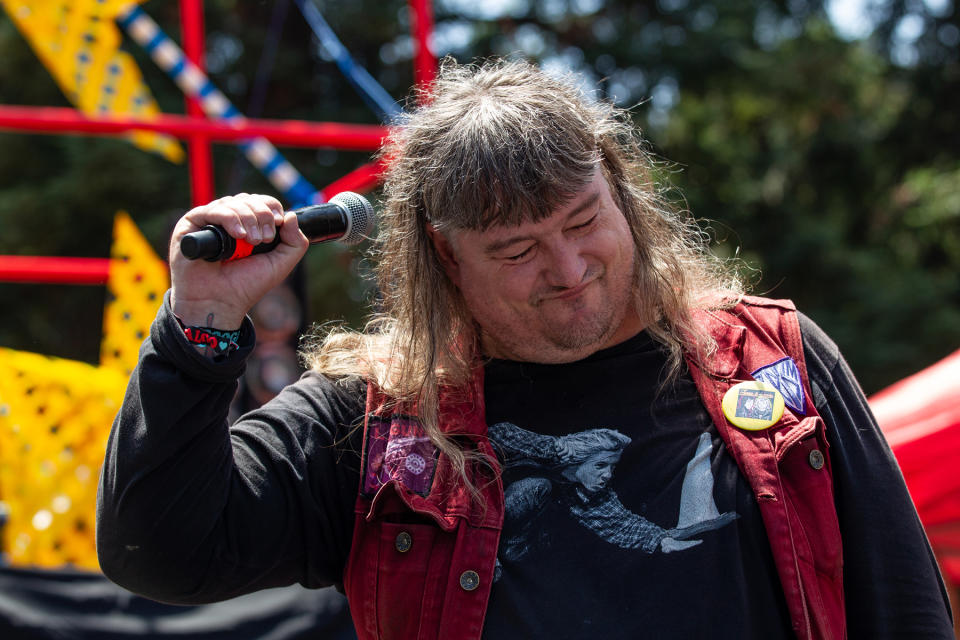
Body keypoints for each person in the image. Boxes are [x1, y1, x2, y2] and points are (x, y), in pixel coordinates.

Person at [96, 59, 954, 639]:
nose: (569, 269)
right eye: (517, 251)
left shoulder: (776, 356)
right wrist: (198, 328)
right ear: (444, 257)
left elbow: (904, 605)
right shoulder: (371, 421)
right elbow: (161, 552)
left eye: (584, 223)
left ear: (622, 191)